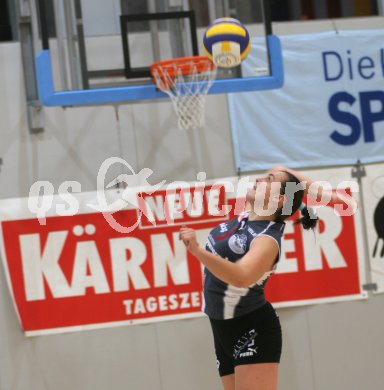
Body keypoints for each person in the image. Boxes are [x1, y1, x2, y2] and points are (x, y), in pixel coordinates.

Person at [179, 165, 356, 390]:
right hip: (221, 328)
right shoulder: (245, 218)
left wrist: (197, 251)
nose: (260, 179)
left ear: (280, 199)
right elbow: (282, 169)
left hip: (251, 329)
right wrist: (331, 198)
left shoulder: (267, 239)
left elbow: (242, 277)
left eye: (268, 180)